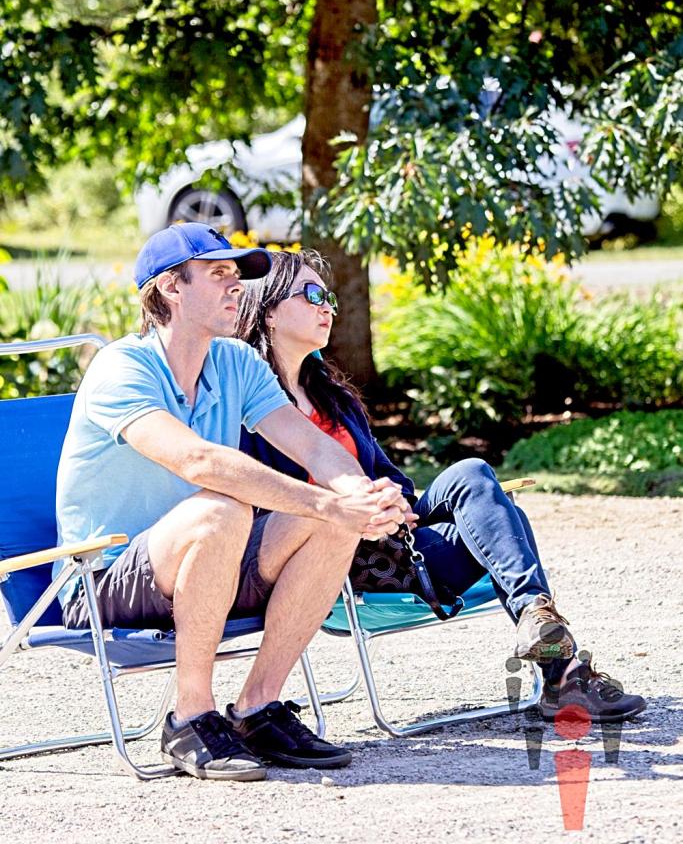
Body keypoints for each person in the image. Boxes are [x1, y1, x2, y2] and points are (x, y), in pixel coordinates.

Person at [55, 223, 410, 781]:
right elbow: (198, 462)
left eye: (238, 275)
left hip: (210, 559)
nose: (237, 286)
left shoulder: (235, 363)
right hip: (101, 579)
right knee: (224, 508)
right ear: (171, 287)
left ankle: (256, 710)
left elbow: (314, 446)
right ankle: (190, 718)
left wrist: (361, 497)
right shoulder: (121, 368)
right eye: (219, 273)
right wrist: (327, 503)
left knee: (330, 520)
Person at [235, 248, 646, 724]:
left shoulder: (334, 397)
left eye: (329, 297)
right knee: (508, 521)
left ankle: (540, 622)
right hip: (339, 553)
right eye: (311, 295)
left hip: (399, 541)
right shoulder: (249, 404)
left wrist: (394, 499)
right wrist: (352, 506)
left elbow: (390, 476)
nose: (326, 306)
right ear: (268, 311)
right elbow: (261, 497)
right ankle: (563, 675)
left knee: (472, 474)